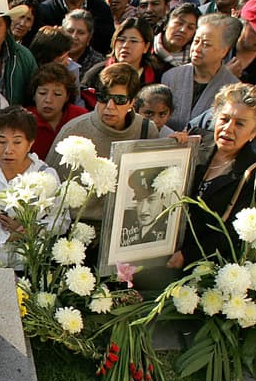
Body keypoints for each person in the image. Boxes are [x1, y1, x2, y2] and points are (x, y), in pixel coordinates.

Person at [168, 83, 256, 269]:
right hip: (160, 250)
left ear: (255, 132)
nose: (228, 129)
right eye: (224, 119)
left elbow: (234, 231)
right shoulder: (196, 142)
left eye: (240, 124)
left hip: (199, 267)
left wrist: (187, 255)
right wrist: (170, 150)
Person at [48, 63, 157, 224]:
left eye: (119, 100)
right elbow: (50, 185)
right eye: (104, 98)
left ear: (132, 102)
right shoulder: (74, 131)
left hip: (125, 223)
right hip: (79, 223)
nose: (110, 107)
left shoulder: (147, 130)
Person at [0, 105, 65, 267]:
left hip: (27, 265)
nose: (8, 150)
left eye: (17, 142)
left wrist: (31, 229)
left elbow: (61, 220)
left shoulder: (45, 175)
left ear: (30, 144)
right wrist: (5, 236)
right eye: (1, 141)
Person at [162, 13, 240, 131]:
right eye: (196, 41)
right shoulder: (171, 77)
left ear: (224, 51)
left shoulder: (233, 89)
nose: (197, 49)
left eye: (206, 45)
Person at [28, 62, 86, 160]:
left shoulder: (80, 118)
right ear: (34, 95)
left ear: (67, 97)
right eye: (42, 93)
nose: (48, 100)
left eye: (57, 94)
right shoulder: (24, 120)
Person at [121, 167, 173, 247]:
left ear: (163, 196)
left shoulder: (171, 225)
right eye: (139, 200)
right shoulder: (126, 218)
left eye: (151, 200)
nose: (143, 209)